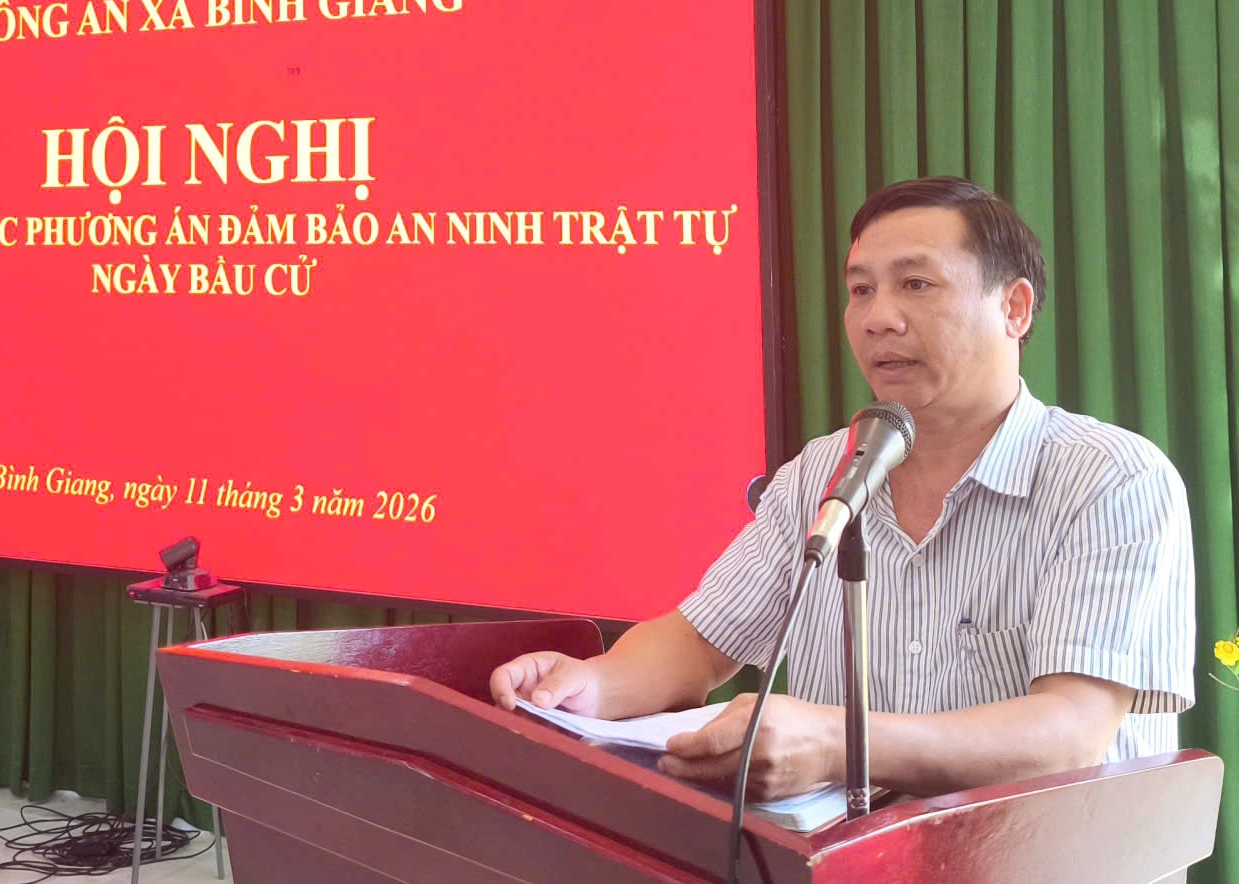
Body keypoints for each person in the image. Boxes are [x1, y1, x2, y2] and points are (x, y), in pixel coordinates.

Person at [489, 177, 1195, 801]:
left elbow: (1070, 734)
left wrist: (840, 745)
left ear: (1014, 308)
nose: (877, 317)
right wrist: (589, 687)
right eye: (861, 290)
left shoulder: (1110, 478)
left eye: (915, 284)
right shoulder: (821, 472)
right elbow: (699, 643)